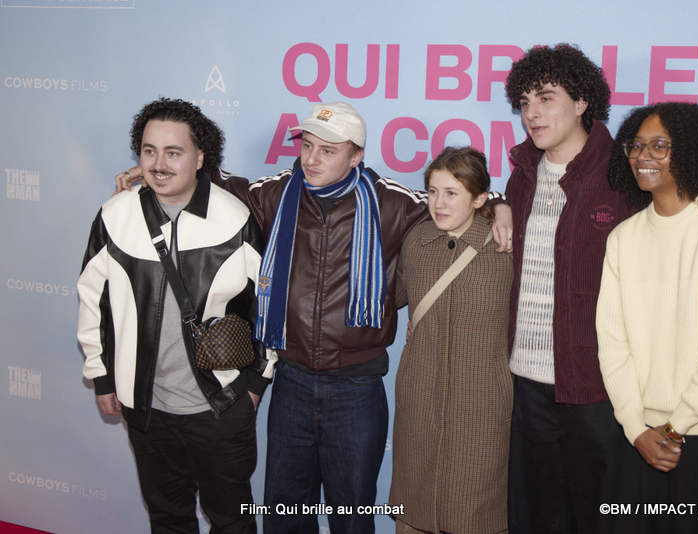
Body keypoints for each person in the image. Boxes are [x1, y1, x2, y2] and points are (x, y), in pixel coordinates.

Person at [116, 101, 512, 534]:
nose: (312, 158)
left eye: (328, 150)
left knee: (351, 514)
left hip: (357, 387)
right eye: (307, 145)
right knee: (286, 514)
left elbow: (457, 197)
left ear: (356, 155)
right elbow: (220, 183)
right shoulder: (276, 193)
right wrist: (163, 171)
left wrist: (501, 202)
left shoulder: (393, 203)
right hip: (293, 382)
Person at [78, 98, 271, 533]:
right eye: (149, 151)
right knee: (168, 519)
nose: (158, 164)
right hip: (147, 409)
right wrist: (102, 375)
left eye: (173, 152)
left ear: (200, 157)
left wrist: (256, 383)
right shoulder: (115, 215)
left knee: (232, 522)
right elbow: (92, 300)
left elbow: (268, 307)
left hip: (220, 407)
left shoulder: (234, 217)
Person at [597, 102, 698, 533]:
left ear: (691, 151)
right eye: (636, 145)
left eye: (659, 146)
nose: (641, 156)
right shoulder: (623, 238)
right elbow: (613, 346)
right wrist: (637, 428)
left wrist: (673, 429)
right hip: (640, 441)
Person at [503, 44, 639, 534]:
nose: (532, 113)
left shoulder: (624, 177)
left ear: (582, 102)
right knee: (536, 519)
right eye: (523, 103)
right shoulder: (520, 177)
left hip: (596, 388)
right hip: (525, 384)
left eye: (545, 97)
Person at [389, 147, 513, 534]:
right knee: (414, 510)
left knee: (476, 511)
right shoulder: (416, 242)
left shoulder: (505, 245)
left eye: (452, 193)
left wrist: (503, 205)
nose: (438, 204)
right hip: (419, 398)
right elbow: (389, 299)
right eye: (432, 191)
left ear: (479, 199)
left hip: (482, 405)